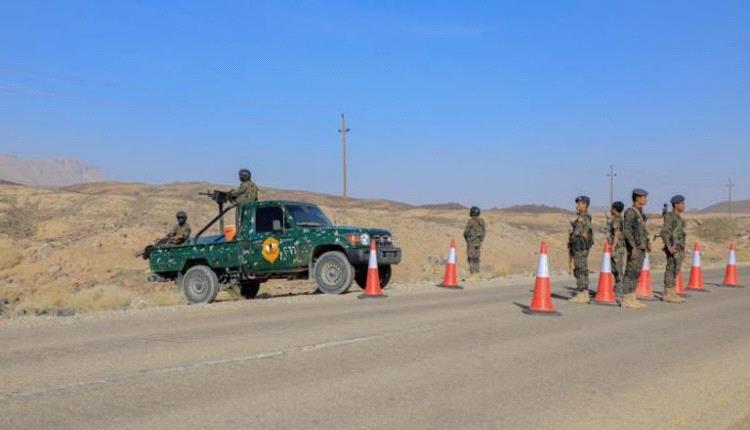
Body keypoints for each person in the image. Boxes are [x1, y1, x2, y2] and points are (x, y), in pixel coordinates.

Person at [622, 189, 651, 309]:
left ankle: (632, 297)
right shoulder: (630, 212)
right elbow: (627, 231)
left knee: (636, 273)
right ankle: (626, 299)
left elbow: (642, 230)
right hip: (635, 247)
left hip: (641, 247)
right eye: (644, 197)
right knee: (630, 272)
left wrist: (647, 243)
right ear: (637, 198)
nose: (646, 199)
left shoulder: (641, 213)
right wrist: (633, 247)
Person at [661, 195, 687, 304]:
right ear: (676, 204)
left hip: (679, 247)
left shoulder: (679, 218)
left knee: (676, 269)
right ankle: (668, 293)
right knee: (671, 269)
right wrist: (669, 246)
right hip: (673, 247)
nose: (684, 206)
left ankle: (672, 292)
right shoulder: (670, 216)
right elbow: (664, 232)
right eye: (682, 203)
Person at [569, 196, 594, 304]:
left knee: (580, 269)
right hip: (581, 247)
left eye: (579, 204)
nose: (577, 206)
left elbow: (579, 233)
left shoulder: (583, 217)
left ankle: (582, 293)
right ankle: (584, 293)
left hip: (580, 247)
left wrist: (573, 235)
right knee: (582, 269)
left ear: (585, 204)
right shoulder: (584, 217)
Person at [608, 201, 626, 298]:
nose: (610, 210)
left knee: (617, 269)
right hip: (619, 247)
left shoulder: (617, 220)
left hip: (617, 248)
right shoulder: (620, 218)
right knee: (615, 269)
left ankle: (619, 291)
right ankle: (617, 289)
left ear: (615, 209)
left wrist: (613, 247)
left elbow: (616, 234)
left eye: (612, 208)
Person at [463, 206, 486, 275]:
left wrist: (467, 240)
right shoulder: (482, 221)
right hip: (478, 243)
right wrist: (480, 240)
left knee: (471, 258)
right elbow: (483, 232)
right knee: (477, 257)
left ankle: (473, 273)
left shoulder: (471, 221)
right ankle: (477, 272)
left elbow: (465, 233)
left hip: (471, 242)